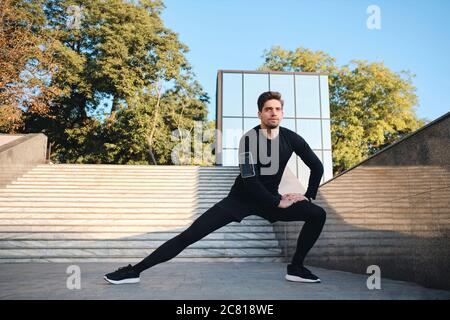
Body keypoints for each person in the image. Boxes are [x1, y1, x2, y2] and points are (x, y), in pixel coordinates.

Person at [104, 91, 327, 285]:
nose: (274, 113)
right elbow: (249, 180)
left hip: (270, 201)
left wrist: (308, 196)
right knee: (190, 235)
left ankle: (296, 268)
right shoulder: (248, 139)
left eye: (278, 109)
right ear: (260, 113)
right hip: (241, 200)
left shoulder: (291, 138)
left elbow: (316, 166)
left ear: (282, 113)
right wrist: (277, 201)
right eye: (268, 109)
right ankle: (134, 271)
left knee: (317, 214)